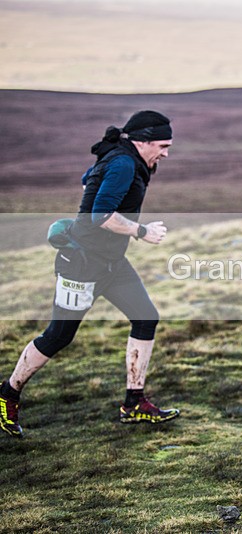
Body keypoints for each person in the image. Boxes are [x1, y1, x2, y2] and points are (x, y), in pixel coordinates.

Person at [0, 111, 180, 438]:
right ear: (142, 141)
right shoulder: (124, 163)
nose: (166, 153)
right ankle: (8, 393)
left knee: (146, 318)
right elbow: (100, 215)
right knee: (58, 336)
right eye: (163, 145)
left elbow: (89, 181)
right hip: (82, 265)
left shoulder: (129, 161)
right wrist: (141, 231)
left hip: (111, 264)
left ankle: (134, 403)